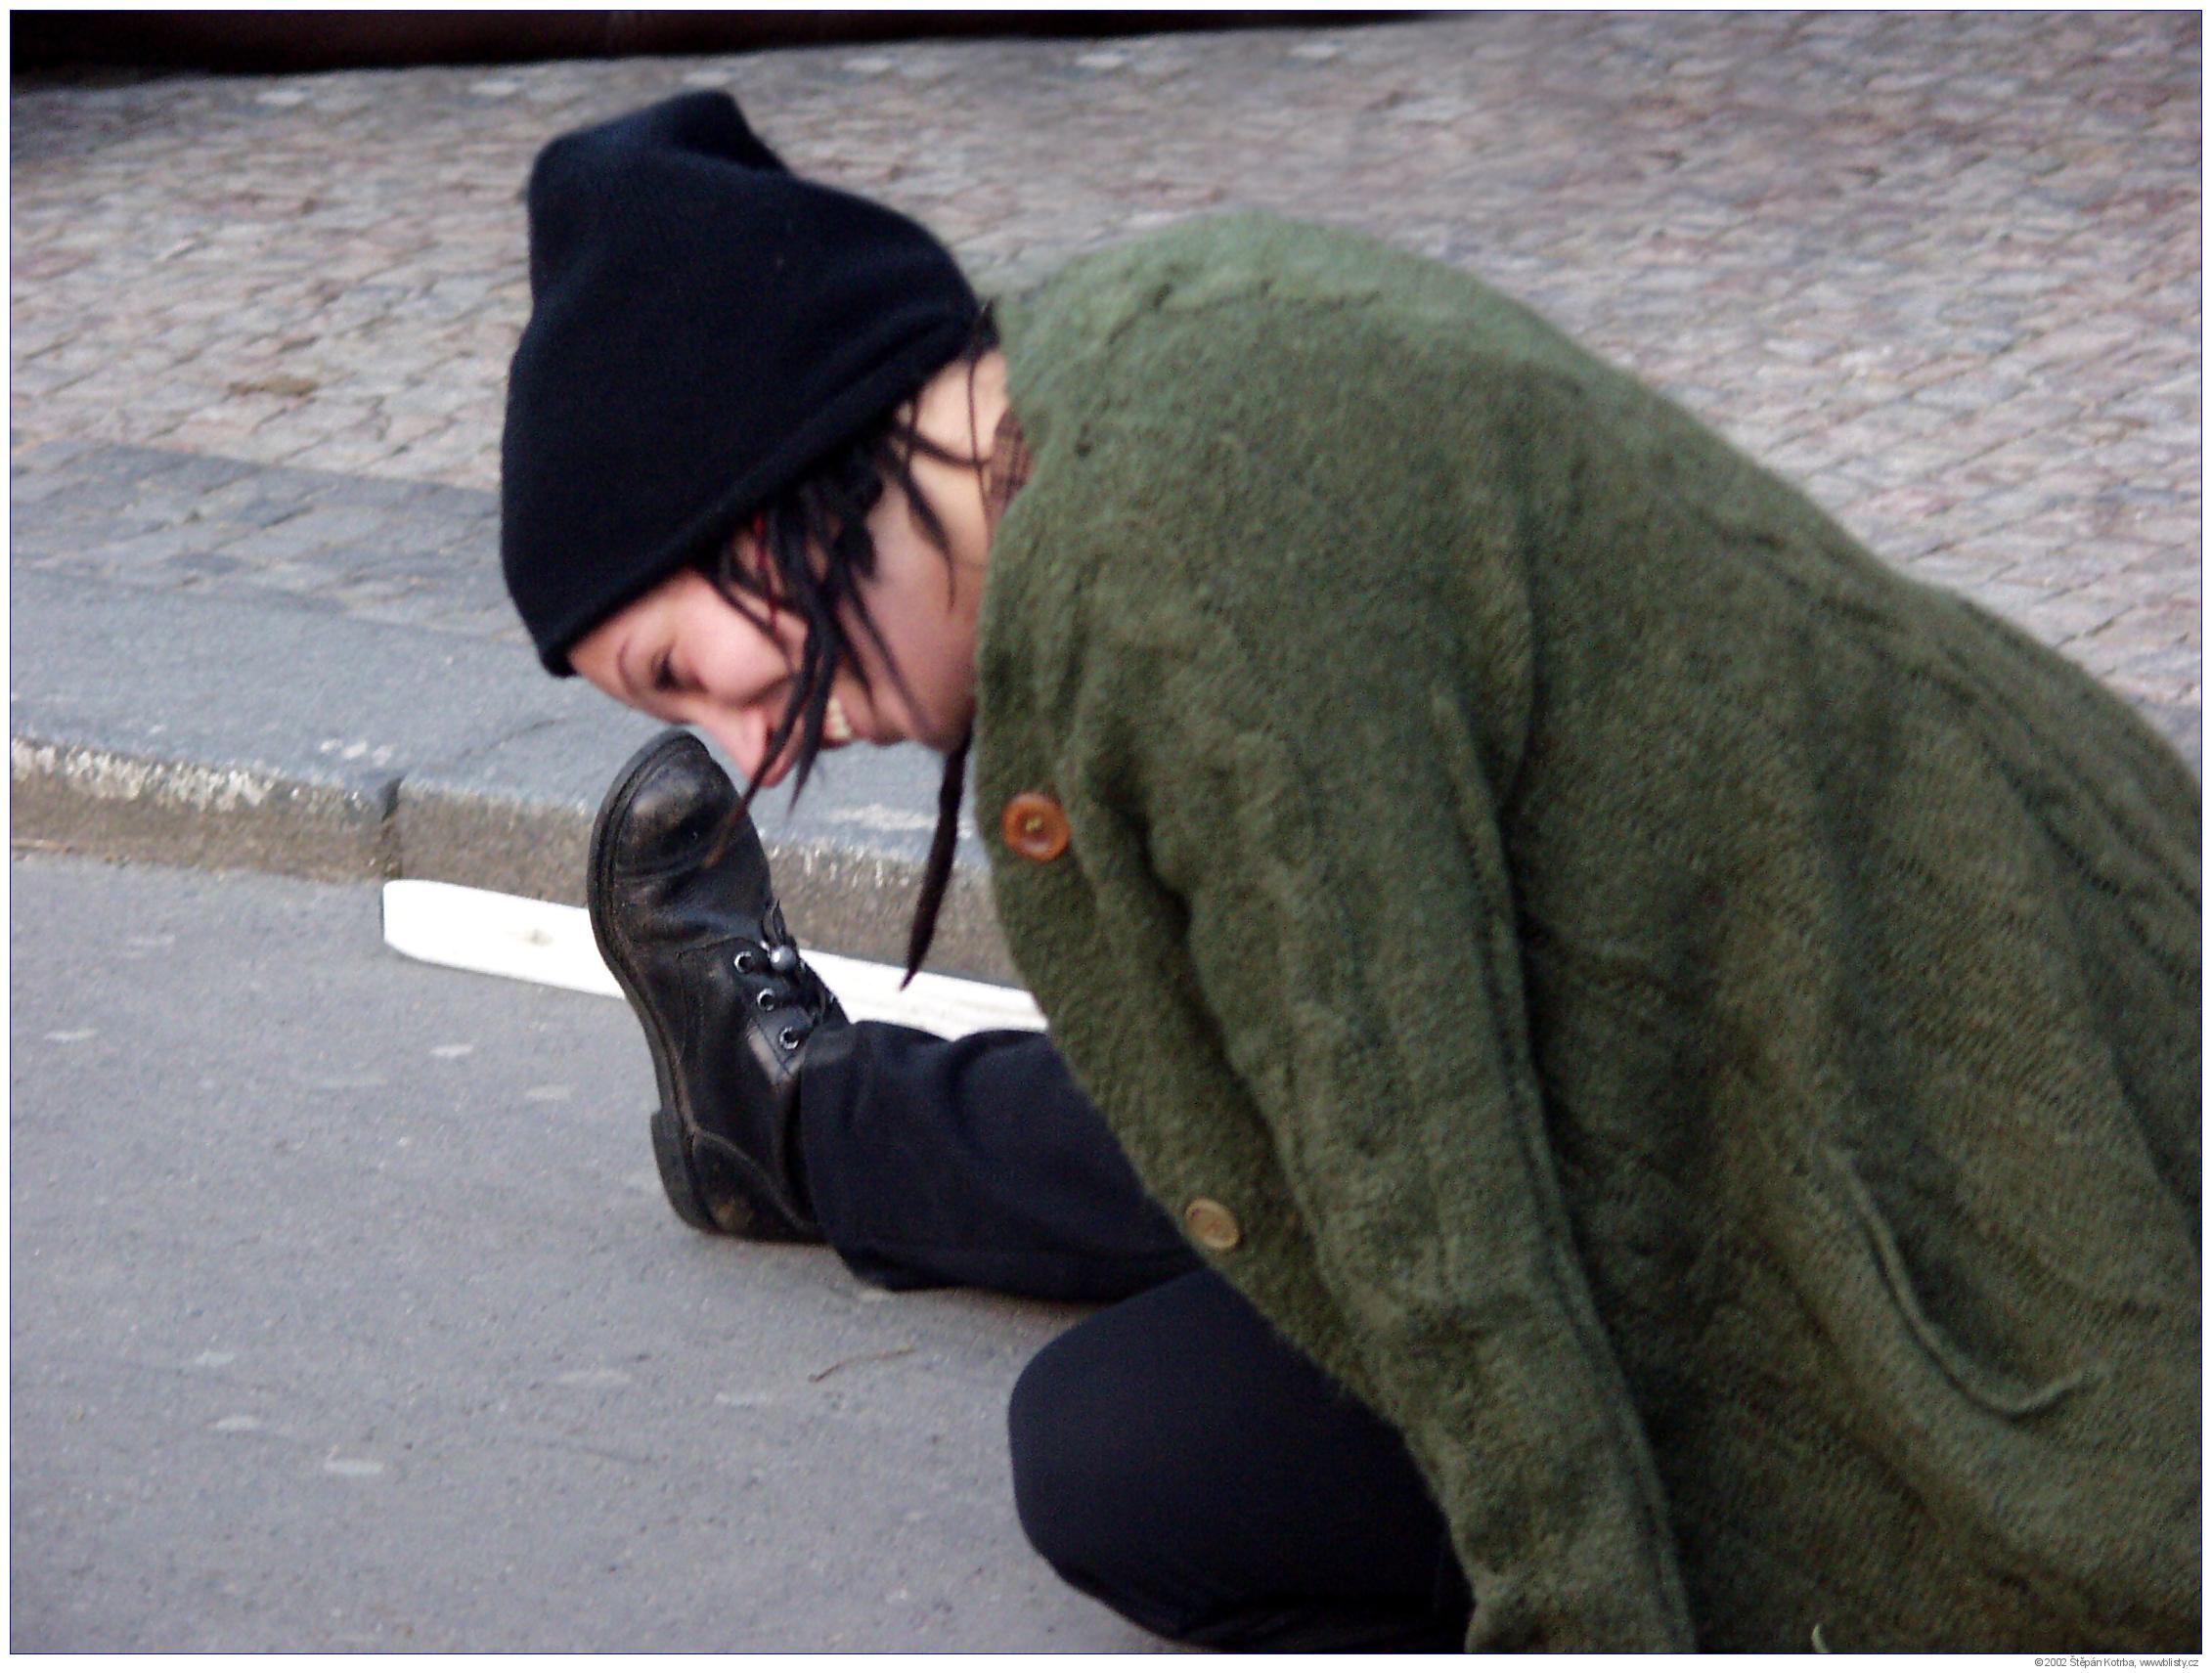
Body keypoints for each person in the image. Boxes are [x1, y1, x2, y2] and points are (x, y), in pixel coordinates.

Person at [500, 93, 2200, 1652]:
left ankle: (800, 1122)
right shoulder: (1087, 379)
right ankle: (797, 1121)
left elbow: (1456, 1252)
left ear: (768, 493)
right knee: (1219, 1080)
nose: (755, 754)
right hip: (1959, 920)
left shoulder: (1182, 588)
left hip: (1961, 1112)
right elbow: (1304, 1029)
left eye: (685, 670)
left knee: (1124, 1459)